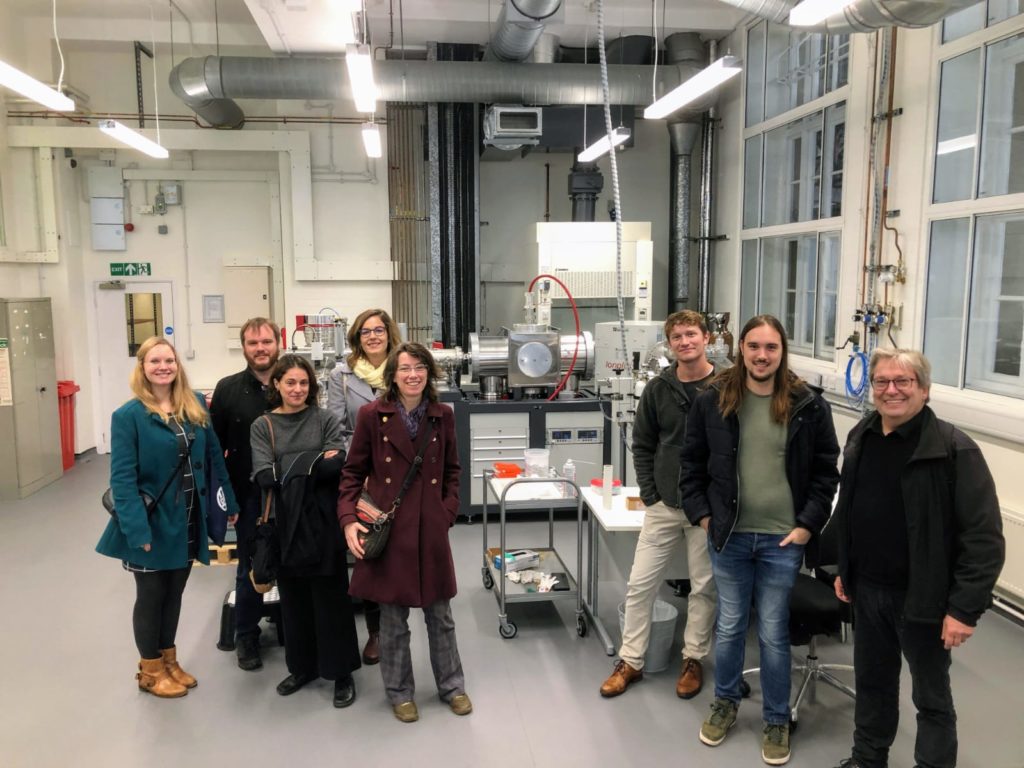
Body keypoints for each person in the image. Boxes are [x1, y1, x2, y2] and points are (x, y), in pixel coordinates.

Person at [829, 349, 1005, 768]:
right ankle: (867, 758)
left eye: (903, 382)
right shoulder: (861, 436)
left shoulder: (953, 449)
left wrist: (963, 610)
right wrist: (844, 567)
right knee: (873, 685)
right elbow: (849, 511)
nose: (891, 390)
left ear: (924, 390)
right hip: (868, 590)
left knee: (931, 699)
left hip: (923, 600)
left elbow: (983, 539)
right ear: (872, 389)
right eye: (882, 382)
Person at [680, 314, 840, 766]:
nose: (762, 355)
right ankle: (726, 702)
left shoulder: (808, 404)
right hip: (728, 535)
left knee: (772, 632)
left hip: (782, 541)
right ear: (741, 350)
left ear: (781, 351)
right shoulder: (713, 400)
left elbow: (827, 471)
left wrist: (808, 524)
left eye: (771, 347)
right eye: (754, 347)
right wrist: (704, 516)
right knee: (729, 626)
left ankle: (775, 717)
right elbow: (691, 466)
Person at [97, 336, 238, 698]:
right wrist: (135, 530)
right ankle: (150, 669)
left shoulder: (194, 409)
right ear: (142, 367)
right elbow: (123, 480)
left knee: (174, 593)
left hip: (188, 519)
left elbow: (215, 462)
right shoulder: (128, 416)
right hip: (151, 523)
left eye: (169, 361)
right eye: (155, 361)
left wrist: (229, 504)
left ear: (178, 367)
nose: (164, 367)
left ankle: (169, 660)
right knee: (150, 595)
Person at [338, 342, 471, 724]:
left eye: (420, 368)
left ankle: (452, 685)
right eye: (405, 368)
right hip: (389, 529)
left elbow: (452, 471)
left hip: (429, 530)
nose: (413, 375)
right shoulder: (370, 415)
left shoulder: (441, 415)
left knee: (440, 615)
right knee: (393, 620)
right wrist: (349, 518)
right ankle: (400, 692)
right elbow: (351, 473)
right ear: (392, 375)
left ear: (429, 374)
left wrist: (445, 512)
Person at [599, 310, 719, 699]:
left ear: (706, 338)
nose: (685, 342)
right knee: (639, 585)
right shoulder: (657, 389)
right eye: (677, 337)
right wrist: (650, 494)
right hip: (665, 505)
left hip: (708, 511)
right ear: (669, 345)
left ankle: (693, 659)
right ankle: (631, 660)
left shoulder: (726, 386)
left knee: (703, 587)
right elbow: (643, 445)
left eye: (691, 335)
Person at [250, 354, 361, 708]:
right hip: (285, 523)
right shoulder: (262, 426)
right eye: (290, 382)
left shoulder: (325, 419)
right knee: (294, 600)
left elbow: (337, 466)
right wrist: (312, 463)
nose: (297, 389)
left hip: (323, 521)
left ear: (312, 387)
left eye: (303, 383)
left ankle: (341, 672)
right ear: (277, 385)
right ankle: (302, 668)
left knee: (331, 599)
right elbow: (263, 476)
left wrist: (288, 468)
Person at [326, 308, 403, 666]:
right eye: (365, 332)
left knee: (401, 550)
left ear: (389, 334)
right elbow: (338, 428)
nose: (373, 336)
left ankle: (398, 622)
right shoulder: (341, 375)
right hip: (367, 477)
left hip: (405, 473)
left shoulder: (405, 367)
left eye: (379, 330)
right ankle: (376, 632)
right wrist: (360, 466)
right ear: (356, 338)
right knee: (371, 552)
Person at [210, 317, 280, 671]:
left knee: (294, 560)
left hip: (290, 493)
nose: (260, 348)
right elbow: (215, 450)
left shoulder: (292, 384)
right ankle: (246, 635)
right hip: (248, 493)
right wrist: (226, 499)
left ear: (277, 343)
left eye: (266, 341)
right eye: (253, 343)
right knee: (252, 565)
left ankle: (288, 624)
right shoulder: (227, 390)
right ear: (244, 348)